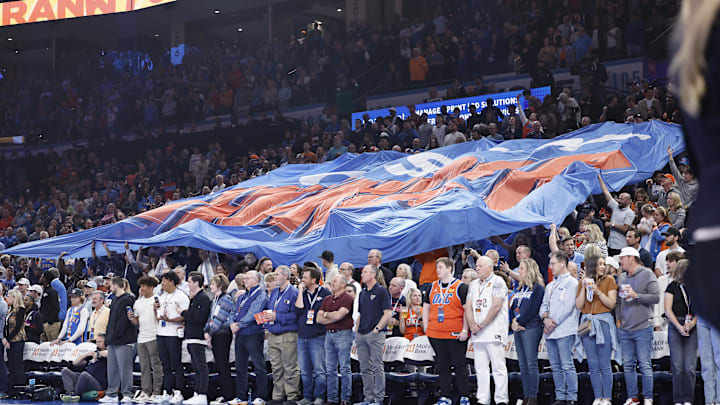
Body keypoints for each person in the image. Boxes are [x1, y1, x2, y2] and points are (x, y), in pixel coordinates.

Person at [423, 257, 471, 405]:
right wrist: (426, 326)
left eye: (441, 267)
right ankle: (445, 396)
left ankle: (464, 396)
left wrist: (465, 329)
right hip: (436, 332)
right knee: (442, 365)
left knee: (459, 365)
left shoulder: (461, 287)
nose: (438, 270)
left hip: (455, 332)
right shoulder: (432, 287)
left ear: (450, 268)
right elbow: (426, 307)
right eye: (437, 268)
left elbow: (467, 310)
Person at [616, 247, 660, 405]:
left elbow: (656, 297)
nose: (620, 261)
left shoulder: (648, 274)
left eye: (622, 258)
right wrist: (618, 321)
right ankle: (633, 397)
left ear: (631, 258)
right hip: (625, 328)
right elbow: (619, 302)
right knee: (627, 365)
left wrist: (637, 296)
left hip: (642, 327)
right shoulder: (621, 277)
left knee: (644, 364)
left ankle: (648, 398)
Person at [466, 256, 509, 405]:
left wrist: (482, 325)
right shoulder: (473, 284)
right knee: (480, 368)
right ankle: (483, 399)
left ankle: (501, 399)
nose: (476, 268)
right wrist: (472, 325)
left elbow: (496, 306)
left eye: (480, 266)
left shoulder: (498, 282)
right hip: (478, 333)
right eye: (476, 266)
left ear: (490, 267)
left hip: (494, 330)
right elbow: (469, 306)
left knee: (498, 367)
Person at [575, 255, 618, 405]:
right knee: (592, 364)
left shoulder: (609, 280)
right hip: (586, 322)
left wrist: (598, 292)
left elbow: (611, 303)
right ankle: (597, 397)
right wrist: (583, 286)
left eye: (603, 264)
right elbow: (579, 305)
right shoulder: (583, 281)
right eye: (599, 264)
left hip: (603, 322)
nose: (602, 266)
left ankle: (607, 397)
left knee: (604, 363)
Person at [540, 252, 579, 405]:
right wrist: (544, 318)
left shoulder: (572, 283)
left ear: (563, 263)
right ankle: (560, 396)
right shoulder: (550, 285)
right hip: (550, 332)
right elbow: (543, 305)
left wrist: (552, 322)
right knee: (555, 366)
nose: (551, 267)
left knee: (567, 364)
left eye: (553, 263)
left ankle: (572, 397)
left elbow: (569, 307)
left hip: (565, 330)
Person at [229, 270, 269, 405]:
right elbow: (233, 311)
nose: (244, 280)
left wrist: (239, 324)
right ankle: (241, 396)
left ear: (256, 280)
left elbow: (254, 312)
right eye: (244, 278)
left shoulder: (261, 295)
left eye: (247, 278)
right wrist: (232, 323)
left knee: (259, 366)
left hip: (253, 333)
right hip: (240, 334)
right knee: (240, 367)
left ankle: (261, 396)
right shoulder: (242, 296)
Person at [355, 264, 393, 405]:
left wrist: (377, 328)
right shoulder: (362, 293)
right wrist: (357, 330)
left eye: (365, 272)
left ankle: (378, 398)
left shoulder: (381, 291)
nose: (362, 274)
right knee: (364, 367)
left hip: (375, 333)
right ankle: (368, 397)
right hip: (362, 333)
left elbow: (387, 312)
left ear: (373, 274)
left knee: (377, 366)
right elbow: (361, 313)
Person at [509, 259, 545, 405]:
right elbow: (513, 307)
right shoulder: (519, 288)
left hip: (531, 327)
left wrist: (520, 322)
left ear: (530, 270)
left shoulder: (538, 288)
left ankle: (533, 396)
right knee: (522, 364)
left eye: (522, 269)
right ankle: (526, 395)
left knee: (531, 363)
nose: (519, 271)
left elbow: (533, 309)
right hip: (518, 328)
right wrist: (513, 321)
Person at [294, 266, 331, 405]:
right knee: (304, 370)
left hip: (318, 335)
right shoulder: (302, 293)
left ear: (313, 279)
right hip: (302, 335)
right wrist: (299, 291)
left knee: (319, 369)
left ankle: (320, 396)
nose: (302, 279)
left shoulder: (325, 293)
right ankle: (307, 396)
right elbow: (298, 310)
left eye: (305, 277)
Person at [265, 265, 301, 403]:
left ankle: (292, 396)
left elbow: (296, 314)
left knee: (290, 367)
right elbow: (270, 311)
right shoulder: (274, 292)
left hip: (288, 334)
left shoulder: (294, 292)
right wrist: (268, 323)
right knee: (276, 367)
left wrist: (278, 317)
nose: (275, 277)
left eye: (277, 275)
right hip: (273, 334)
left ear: (286, 276)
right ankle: (278, 396)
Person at [664, 259, 698, 405]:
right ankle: (678, 399)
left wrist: (691, 324)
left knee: (689, 367)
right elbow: (667, 309)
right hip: (675, 325)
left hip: (692, 326)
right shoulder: (672, 287)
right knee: (677, 366)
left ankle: (688, 399)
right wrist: (678, 326)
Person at [318, 275, 354, 405]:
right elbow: (318, 318)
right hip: (329, 334)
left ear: (343, 284)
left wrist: (326, 314)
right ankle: (332, 398)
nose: (332, 283)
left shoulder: (347, 298)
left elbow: (340, 315)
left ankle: (345, 398)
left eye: (335, 281)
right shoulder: (327, 299)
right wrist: (331, 316)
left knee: (344, 367)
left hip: (343, 334)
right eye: (332, 281)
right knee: (330, 368)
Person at [100, 277, 137, 403]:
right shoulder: (115, 300)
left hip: (124, 340)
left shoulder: (128, 299)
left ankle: (127, 393)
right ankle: (111, 393)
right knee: (112, 369)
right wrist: (108, 337)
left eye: (111, 285)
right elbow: (111, 321)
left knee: (125, 369)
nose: (110, 287)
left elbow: (124, 321)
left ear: (116, 285)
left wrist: (116, 335)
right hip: (113, 340)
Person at [155, 271, 190, 404]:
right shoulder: (162, 296)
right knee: (165, 364)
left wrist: (170, 320)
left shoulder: (181, 296)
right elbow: (159, 316)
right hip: (161, 332)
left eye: (164, 281)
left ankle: (179, 391)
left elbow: (185, 316)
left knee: (176, 363)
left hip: (174, 334)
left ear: (171, 281)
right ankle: (167, 391)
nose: (162, 284)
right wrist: (156, 311)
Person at [129, 277, 163, 403]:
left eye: (144, 286)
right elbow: (136, 322)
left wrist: (156, 310)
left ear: (151, 287)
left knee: (156, 366)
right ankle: (145, 391)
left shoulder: (157, 300)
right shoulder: (137, 303)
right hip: (141, 337)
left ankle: (156, 392)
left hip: (154, 336)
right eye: (141, 286)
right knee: (144, 367)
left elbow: (160, 318)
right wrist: (132, 319)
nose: (142, 289)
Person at [204, 274, 235, 405]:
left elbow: (220, 318)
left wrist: (209, 333)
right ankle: (223, 393)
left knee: (223, 365)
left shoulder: (226, 299)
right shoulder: (215, 299)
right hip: (215, 335)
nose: (210, 286)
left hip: (222, 335)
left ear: (220, 285)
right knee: (219, 365)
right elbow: (211, 318)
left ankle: (228, 395)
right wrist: (206, 331)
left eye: (212, 284)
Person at [181, 272, 211, 405]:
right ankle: (197, 392)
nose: (188, 284)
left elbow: (198, 318)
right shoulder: (194, 298)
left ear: (196, 283)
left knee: (201, 366)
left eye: (190, 281)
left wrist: (183, 313)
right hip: (191, 337)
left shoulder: (203, 298)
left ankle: (202, 393)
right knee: (196, 367)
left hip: (198, 337)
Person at [60, 334, 108, 402]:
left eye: (100, 342)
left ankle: (75, 395)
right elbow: (75, 363)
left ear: (106, 342)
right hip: (84, 380)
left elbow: (109, 353)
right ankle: (71, 393)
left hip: (98, 384)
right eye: (96, 342)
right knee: (65, 371)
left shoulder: (109, 353)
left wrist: (98, 354)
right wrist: (86, 355)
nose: (97, 344)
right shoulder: (94, 353)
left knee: (84, 375)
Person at [598, 174, 636, 256]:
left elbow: (625, 228)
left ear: (628, 201)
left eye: (621, 199)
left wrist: (612, 224)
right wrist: (599, 178)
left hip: (620, 246)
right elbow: (606, 193)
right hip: (610, 244)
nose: (619, 200)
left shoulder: (630, 213)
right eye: (619, 198)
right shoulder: (616, 206)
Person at [3, 290, 25, 398]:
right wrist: (5, 338)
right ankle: (11, 390)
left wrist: (7, 339)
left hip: (17, 340)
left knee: (18, 365)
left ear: (15, 297)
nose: (7, 298)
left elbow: (17, 327)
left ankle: (20, 390)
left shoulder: (21, 310)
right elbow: (5, 325)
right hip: (9, 341)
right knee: (11, 366)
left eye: (9, 296)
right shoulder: (9, 310)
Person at [40, 271, 61, 342]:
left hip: (52, 324)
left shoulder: (52, 291)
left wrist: (50, 322)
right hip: (45, 323)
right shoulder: (45, 290)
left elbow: (56, 307)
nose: (40, 278)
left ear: (46, 278)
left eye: (42, 276)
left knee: (53, 346)